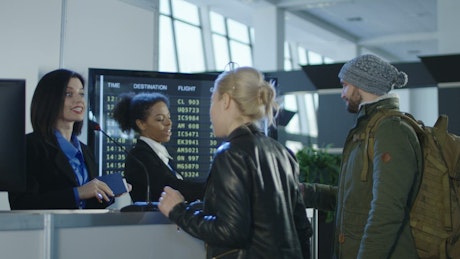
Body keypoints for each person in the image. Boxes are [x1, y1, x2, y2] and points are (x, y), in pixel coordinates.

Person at [158, 66, 310, 259]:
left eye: (213, 100)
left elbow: (230, 231)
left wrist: (178, 210)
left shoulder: (231, 154)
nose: (210, 111)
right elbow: (302, 229)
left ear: (226, 101)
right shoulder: (283, 152)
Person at [301, 54, 423, 258]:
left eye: (345, 85)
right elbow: (355, 199)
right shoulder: (370, 127)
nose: (342, 93)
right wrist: (307, 193)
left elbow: (387, 211)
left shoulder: (391, 130)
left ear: (361, 84)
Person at [8, 69, 129, 210]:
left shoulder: (85, 151)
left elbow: (88, 205)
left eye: (81, 94)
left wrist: (108, 192)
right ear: (49, 99)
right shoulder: (28, 146)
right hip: (48, 230)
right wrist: (78, 193)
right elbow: (22, 204)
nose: (79, 101)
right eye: (68, 94)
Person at [112, 92, 205, 203]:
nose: (169, 123)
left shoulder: (160, 153)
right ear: (141, 124)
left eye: (168, 117)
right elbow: (169, 186)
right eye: (160, 119)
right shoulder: (140, 156)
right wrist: (209, 189)